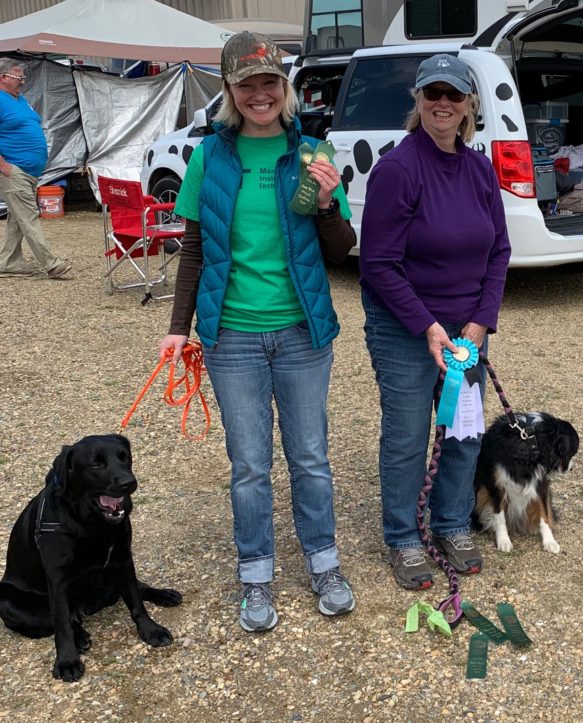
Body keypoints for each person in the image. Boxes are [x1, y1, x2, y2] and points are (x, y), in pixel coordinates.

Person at [158, 32, 357, 632]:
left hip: (301, 332)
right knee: (248, 465)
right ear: (230, 90)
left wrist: (326, 203)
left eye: (270, 81)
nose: (260, 94)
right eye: (247, 84)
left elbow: (342, 250)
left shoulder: (314, 153)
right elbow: (193, 250)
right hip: (232, 338)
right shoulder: (208, 158)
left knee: (310, 457)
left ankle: (324, 564)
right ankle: (255, 575)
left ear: (285, 88)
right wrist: (177, 329)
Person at [360, 53, 511, 590]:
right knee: (407, 436)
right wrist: (426, 325)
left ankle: (449, 524)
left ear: (470, 103)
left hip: (465, 333)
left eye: (453, 94)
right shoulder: (398, 170)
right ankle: (402, 535)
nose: (442, 104)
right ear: (418, 101)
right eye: (432, 94)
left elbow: (499, 250)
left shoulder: (478, 168)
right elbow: (377, 262)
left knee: (463, 433)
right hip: (406, 329)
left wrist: (480, 321)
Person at [0, 59, 72, 280]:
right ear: (3, 77)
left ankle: (8, 262)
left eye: (23, 78)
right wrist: (3, 166)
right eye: (17, 78)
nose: (22, 82)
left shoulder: (20, 100)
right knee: (29, 216)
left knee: (17, 218)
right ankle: (51, 263)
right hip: (13, 170)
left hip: (29, 171)